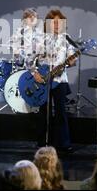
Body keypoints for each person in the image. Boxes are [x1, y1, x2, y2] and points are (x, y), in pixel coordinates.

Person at [34, 9, 76, 152]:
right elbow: (31, 59)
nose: (57, 25)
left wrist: (72, 61)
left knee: (60, 112)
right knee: (43, 111)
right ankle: (42, 142)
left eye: (59, 22)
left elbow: (72, 58)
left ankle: (63, 143)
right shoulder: (41, 38)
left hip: (60, 80)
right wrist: (35, 73)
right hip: (43, 79)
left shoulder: (67, 38)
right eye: (54, 22)